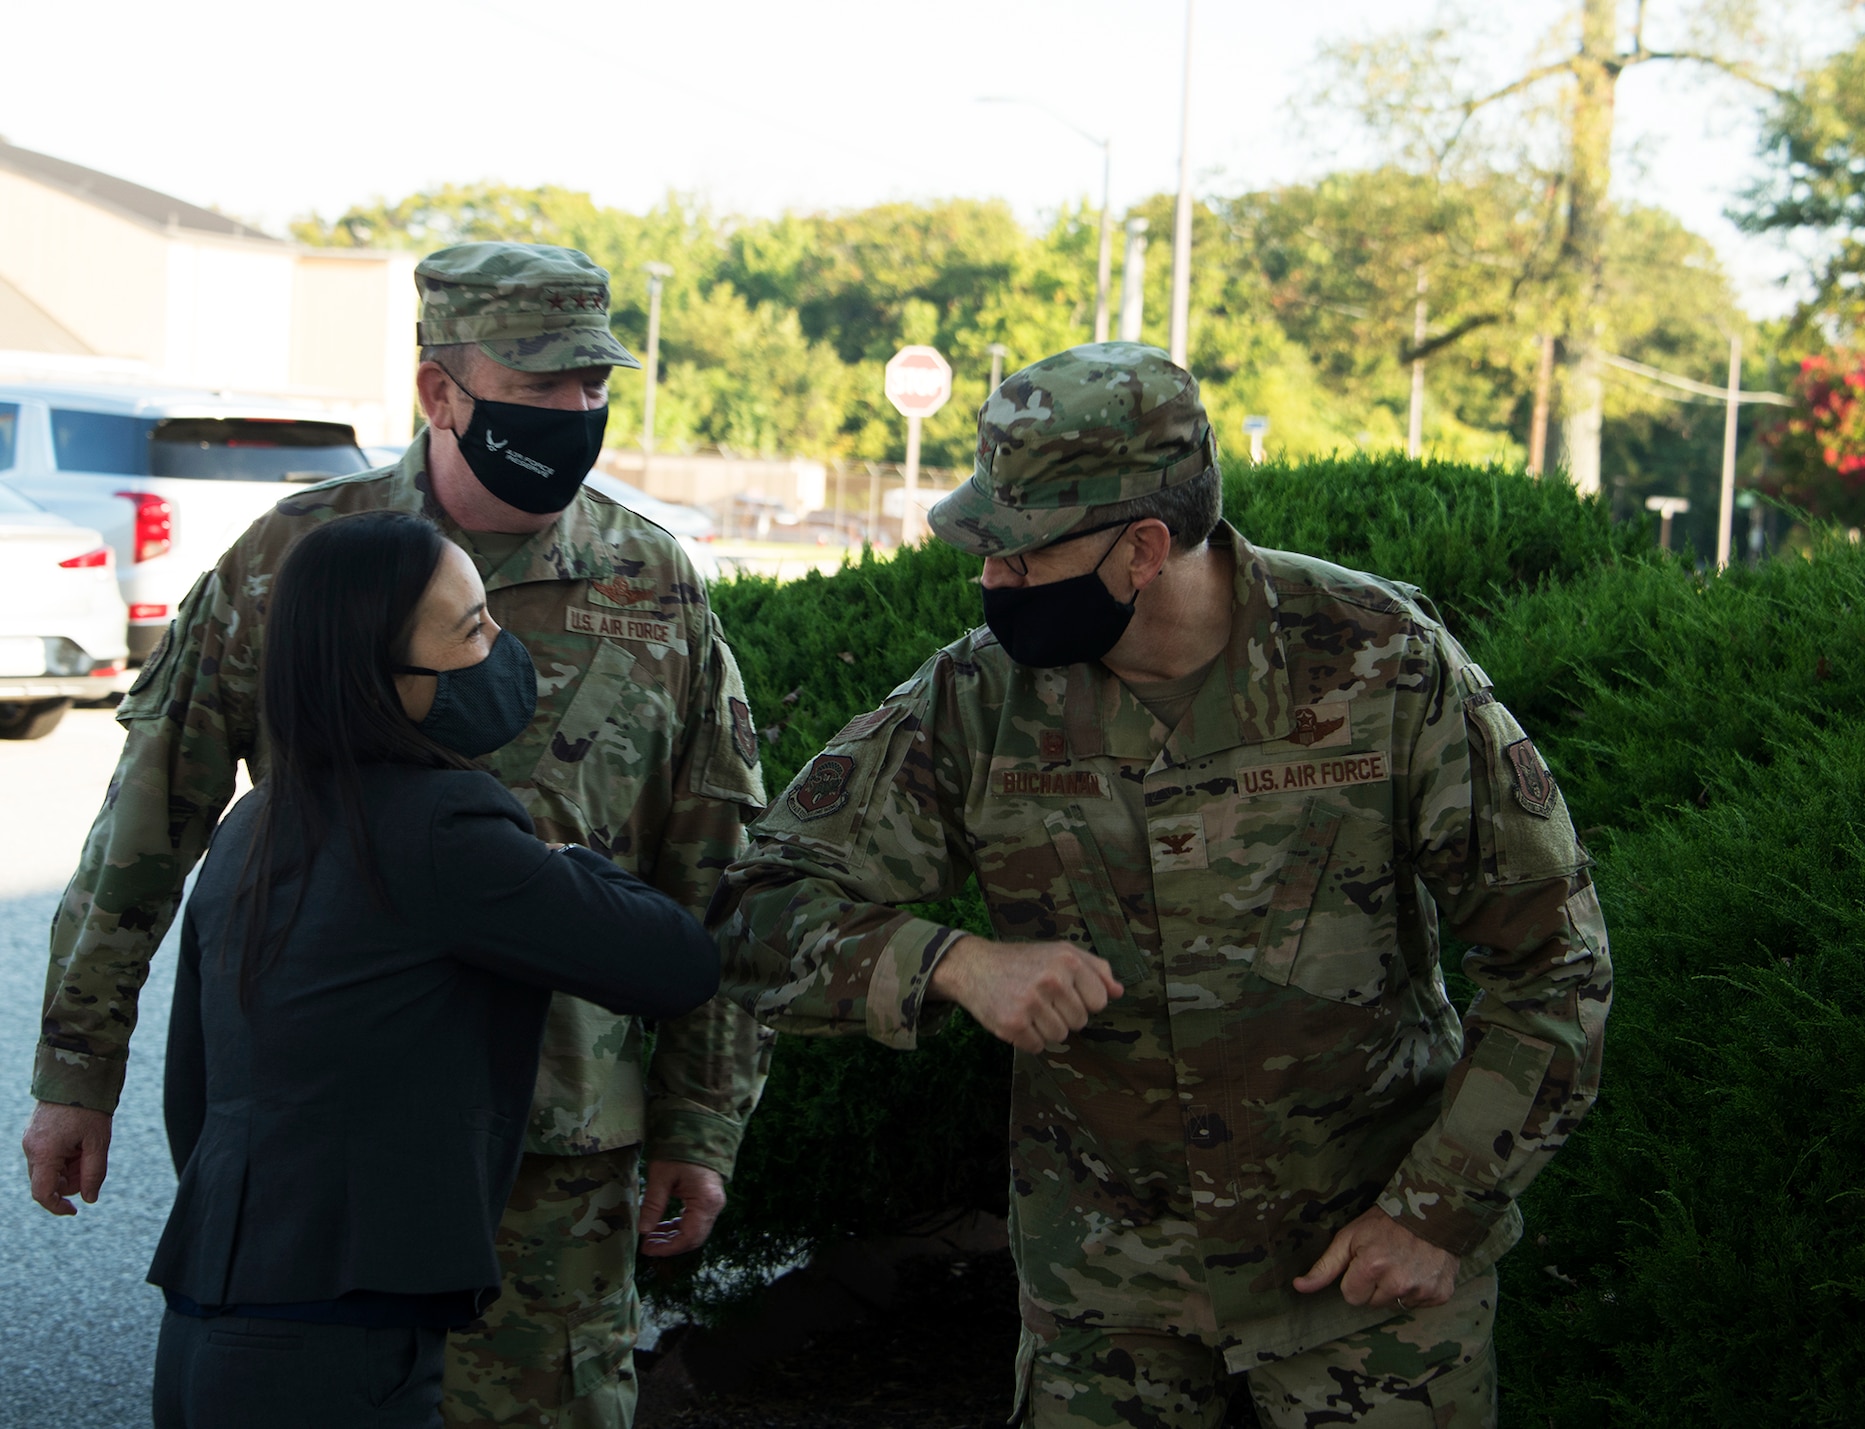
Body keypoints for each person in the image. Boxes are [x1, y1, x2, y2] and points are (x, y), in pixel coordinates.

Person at [711, 343, 1613, 1428]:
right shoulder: (977, 700)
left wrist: (1438, 1213)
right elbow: (750, 907)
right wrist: (949, 963)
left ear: (1143, 547)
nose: (987, 579)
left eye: (1018, 555)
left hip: (1364, 1283)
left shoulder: (1381, 663)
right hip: (1106, 1300)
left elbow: (1552, 960)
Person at [23, 242, 772, 1428]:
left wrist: (700, 1122)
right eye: (539, 390)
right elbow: (145, 831)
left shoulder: (652, 582)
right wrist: (78, 1072)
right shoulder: (291, 565)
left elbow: (717, 869)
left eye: (592, 387)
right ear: (440, 392)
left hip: (557, 1151)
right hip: (343, 1161)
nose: (574, 413)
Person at [152, 510, 720, 1428]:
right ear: (376, 673)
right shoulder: (445, 828)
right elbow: (675, 963)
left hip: (210, 1322)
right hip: (339, 1346)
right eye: (471, 629)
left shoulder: (251, 828)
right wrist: (566, 857)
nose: (500, 644)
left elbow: (194, 1090)